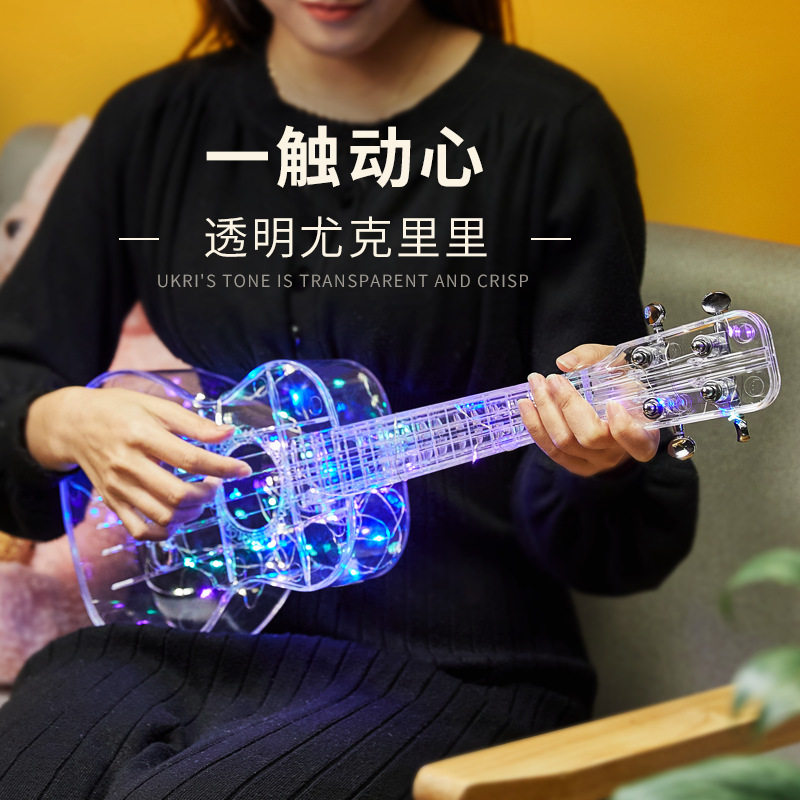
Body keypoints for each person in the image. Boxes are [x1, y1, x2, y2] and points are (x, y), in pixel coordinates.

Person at [0, 1, 698, 798]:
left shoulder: (550, 128)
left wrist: (600, 464)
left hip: (455, 667)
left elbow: (618, 530)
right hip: (191, 626)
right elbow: (16, 365)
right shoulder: (156, 121)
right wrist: (59, 421)